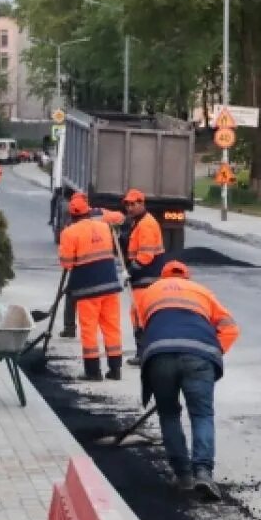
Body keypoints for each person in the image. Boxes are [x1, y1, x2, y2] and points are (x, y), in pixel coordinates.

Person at [135, 260, 239, 497]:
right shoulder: (202, 292)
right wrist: (211, 355)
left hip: (159, 355)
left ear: (162, 277)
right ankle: (203, 472)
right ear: (187, 277)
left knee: (169, 414)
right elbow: (231, 329)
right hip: (199, 357)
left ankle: (182, 475)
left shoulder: (149, 292)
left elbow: (141, 328)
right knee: (201, 415)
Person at [57, 193, 125, 381]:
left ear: (71, 215)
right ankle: (115, 369)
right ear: (88, 211)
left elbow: (67, 263)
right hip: (111, 285)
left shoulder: (69, 233)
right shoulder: (104, 227)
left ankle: (93, 372)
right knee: (112, 328)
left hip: (88, 289)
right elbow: (118, 220)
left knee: (89, 330)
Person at [121, 189, 166, 366]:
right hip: (144, 277)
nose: (130, 208)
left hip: (147, 277)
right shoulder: (138, 223)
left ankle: (144, 354)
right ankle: (145, 353)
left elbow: (145, 256)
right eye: (128, 204)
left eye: (134, 204)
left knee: (140, 315)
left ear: (142, 204)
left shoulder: (146, 224)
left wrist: (130, 271)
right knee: (140, 315)